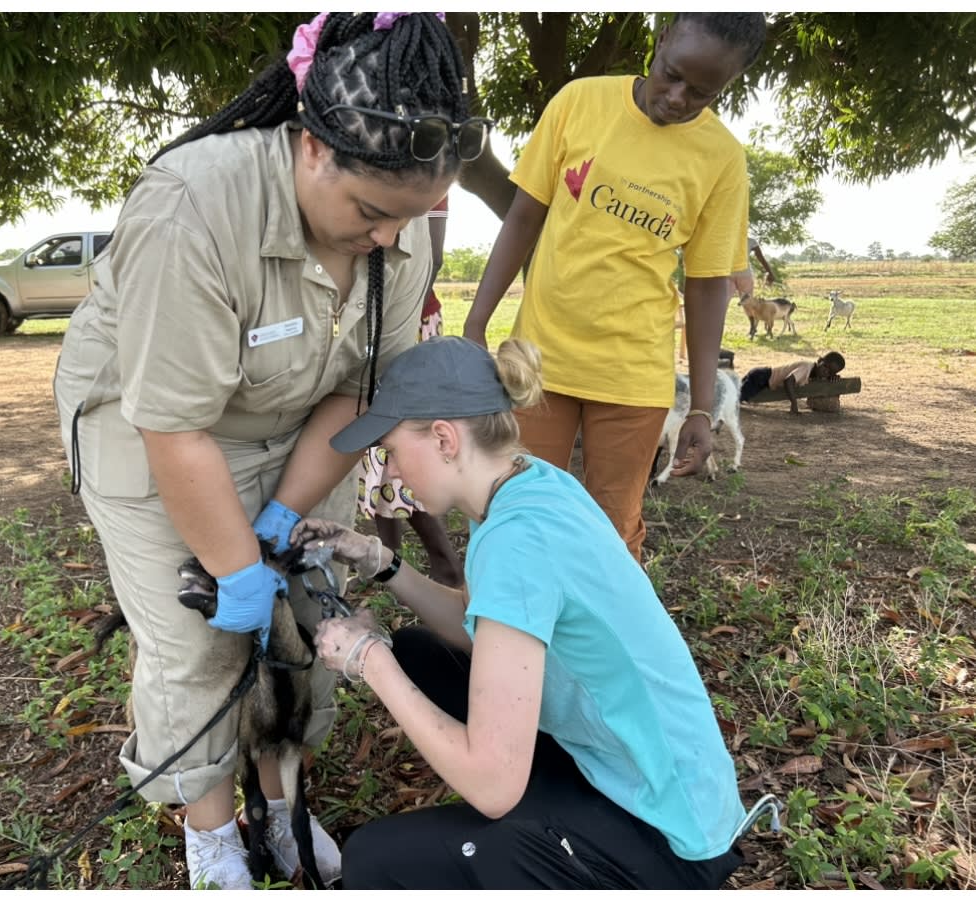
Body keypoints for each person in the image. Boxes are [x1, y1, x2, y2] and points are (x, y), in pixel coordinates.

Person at [51, 12, 489, 889]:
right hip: (153, 429)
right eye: (372, 213)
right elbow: (172, 425)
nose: (389, 243)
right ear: (314, 148)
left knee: (305, 616)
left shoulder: (391, 244)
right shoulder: (193, 210)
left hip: (296, 425)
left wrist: (285, 513)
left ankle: (282, 804)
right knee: (200, 640)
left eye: (410, 222)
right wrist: (234, 564)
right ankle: (212, 834)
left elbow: (355, 388)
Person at [291, 335, 748, 889]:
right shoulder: (529, 483)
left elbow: (492, 786)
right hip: (651, 776)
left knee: (374, 861)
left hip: (666, 839)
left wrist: (367, 660)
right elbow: (479, 623)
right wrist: (377, 559)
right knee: (417, 653)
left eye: (388, 451)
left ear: (443, 439)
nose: (386, 475)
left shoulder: (516, 543)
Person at [463, 13, 768, 562]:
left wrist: (701, 406)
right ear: (661, 40)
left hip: (633, 375)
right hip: (540, 362)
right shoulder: (580, 102)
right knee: (515, 511)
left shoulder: (721, 158)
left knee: (611, 532)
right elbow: (524, 216)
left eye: (701, 92)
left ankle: (599, 646)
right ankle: (503, 644)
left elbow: (705, 286)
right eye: (671, 75)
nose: (677, 98)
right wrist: (475, 324)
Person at [358, 194, 464, 587]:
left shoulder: (424, 167)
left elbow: (429, 259)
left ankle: (445, 564)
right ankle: (389, 562)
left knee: (402, 444)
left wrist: (390, 312)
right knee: (376, 451)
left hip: (405, 322)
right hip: (375, 318)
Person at [740, 350, 846, 413]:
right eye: (825, 367)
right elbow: (788, 381)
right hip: (762, 377)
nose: (825, 372)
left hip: (763, 377)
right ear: (819, 361)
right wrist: (794, 403)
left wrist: (833, 378)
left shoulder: (815, 372)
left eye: (830, 372)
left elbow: (822, 379)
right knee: (738, 397)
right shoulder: (807, 367)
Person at [730, 235, 776, 302]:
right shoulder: (750, 241)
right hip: (744, 274)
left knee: (721, 302)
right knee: (748, 304)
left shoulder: (726, 240)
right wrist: (770, 273)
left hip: (727, 274)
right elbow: (761, 258)